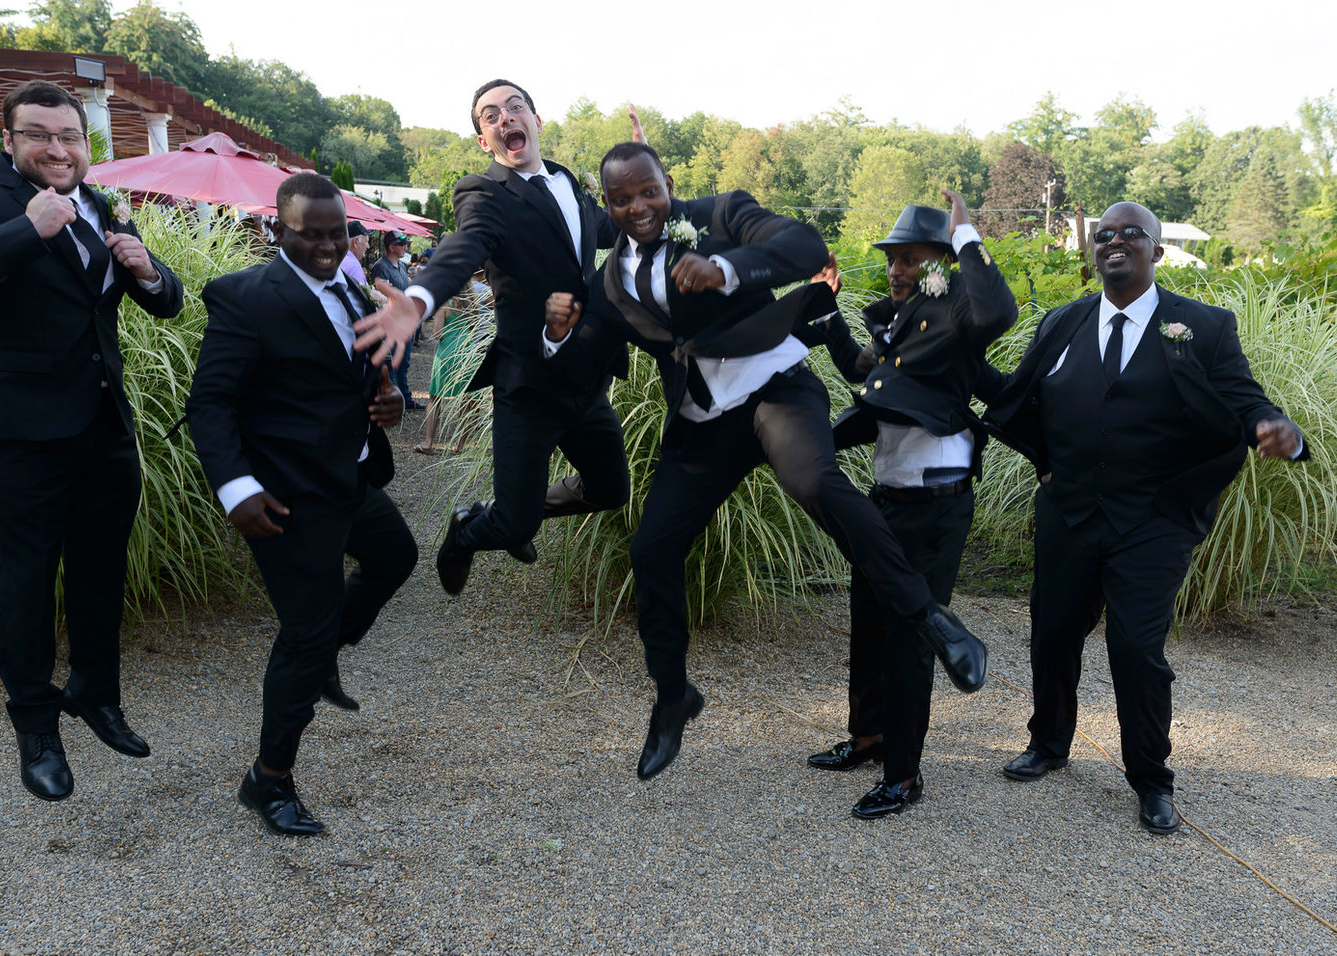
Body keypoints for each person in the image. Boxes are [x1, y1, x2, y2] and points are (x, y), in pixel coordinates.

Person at [544, 143, 989, 781]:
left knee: (818, 482)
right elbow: (584, 363)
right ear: (607, 206)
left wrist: (725, 268)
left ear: (668, 183)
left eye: (648, 192)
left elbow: (804, 248)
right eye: (620, 200)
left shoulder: (722, 214)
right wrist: (556, 332)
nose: (637, 207)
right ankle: (673, 697)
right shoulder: (608, 282)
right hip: (705, 423)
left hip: (774, 387)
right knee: (652, 548)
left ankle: (935, 622)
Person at [981, 201, 1308, 834]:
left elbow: (1244, 398)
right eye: (1105, 234)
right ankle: (1048, 744)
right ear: (1092, 251)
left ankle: (1151, 780)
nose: (1117, 241)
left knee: (1137, 648)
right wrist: (1043, 460)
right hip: (1070, 511)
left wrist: (1277, 429)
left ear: (1156, 252)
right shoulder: (1063, 322)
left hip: (1154, 518)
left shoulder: (1202, 327)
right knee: (1052, 633)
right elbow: (1021, 397)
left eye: (1133, 234)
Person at [0, 80, 184, 802]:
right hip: (17, 431)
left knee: (100, 570)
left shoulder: (99, 202)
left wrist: (149, 271)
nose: (58, 149)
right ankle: (36, 726)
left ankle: (96, 693)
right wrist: (28, 228)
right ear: (8, 139)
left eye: (70, 137)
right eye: (39, 135)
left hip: (101, 424)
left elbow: (166, 303)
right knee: (25, 584)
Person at [186, 173, 417, 836]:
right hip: (283, 496)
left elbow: (356, 374)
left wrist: (387, 403)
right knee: (303, 635)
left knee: (395, 556)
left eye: (335, 232)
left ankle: (322, 658)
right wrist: (238, 490)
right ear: (276, 230)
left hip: (346, 476)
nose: (323, 245)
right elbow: (211, 405)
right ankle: (269, 779)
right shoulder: (247, 299)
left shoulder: (351, 285)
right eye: (306, 233)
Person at [354, 79, 639, 597]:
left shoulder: (567, 182)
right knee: (513, 527)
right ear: (485, 140)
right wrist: (418, 299)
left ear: (536, 121)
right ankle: (468, 532)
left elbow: (616, 229)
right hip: (528, 385)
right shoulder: (482, 193)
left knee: (611, 489)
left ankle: (510, 512)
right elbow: (465, 246)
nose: (505, 117)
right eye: (490, 116)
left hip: (585, 379)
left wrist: (646, 184)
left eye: (515, 107)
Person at [802, 194, 1018, 819]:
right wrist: (830, 311)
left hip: (933, 506)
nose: (895, 269)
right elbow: (870, 378)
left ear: (941, 264)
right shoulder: (906, 321)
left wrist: (968, 236)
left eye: (910, 259)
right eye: (891, 259)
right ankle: (869, 736)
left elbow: (996, 309)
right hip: (888, 497)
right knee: (869, 620)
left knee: (909, 637)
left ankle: (904, 774)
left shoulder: (956, 315)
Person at [414, 277, 489, 455]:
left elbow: (437, 333)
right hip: (467, 353)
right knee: (468, 401)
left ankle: (428, 442)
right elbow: (473, 327)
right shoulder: (472, 304)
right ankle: (460, 447)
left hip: (447, 353)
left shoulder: (445, 304)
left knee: (435, 397)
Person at [369, 230, 424, 409]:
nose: (406, 247)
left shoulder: (401, 266)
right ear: (391, 247)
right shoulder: (380, 267)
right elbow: (382, 297)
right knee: (391, 365)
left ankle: (405, 399)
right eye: (402, 244)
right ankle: (393, 404)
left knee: (404, 362)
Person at [341, 221, 372, 289]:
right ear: (355, 241)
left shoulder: (339, 259)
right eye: (366, 241)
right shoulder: (353, 266)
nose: (368, 246)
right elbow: (363, 296)